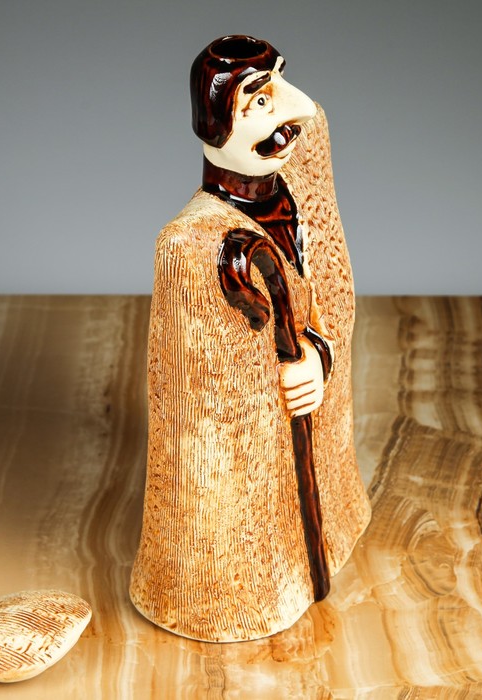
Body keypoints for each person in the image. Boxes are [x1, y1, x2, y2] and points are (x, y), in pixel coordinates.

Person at [130, 35, 370, 642]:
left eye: (283, 82)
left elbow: (334, 285)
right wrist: (280, 376)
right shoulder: (190, 247)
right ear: (215, 129)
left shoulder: (302, 174)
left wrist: (318, 353)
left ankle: (320, 547)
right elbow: (199, 405)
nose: (298, 108)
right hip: (239, 522)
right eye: (260, 102)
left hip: (318, 480)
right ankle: (247, 592)